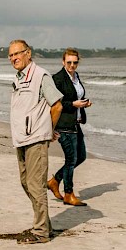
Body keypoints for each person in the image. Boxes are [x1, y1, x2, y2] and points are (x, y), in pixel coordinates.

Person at [8, 40, 62, 244]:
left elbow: (57, 105)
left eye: (17, 54)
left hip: (36, 138)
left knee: (36, 184)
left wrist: (49, 130)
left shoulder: (41, 76)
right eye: (11, 55)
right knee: (26, 182)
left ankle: (40, 232)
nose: (14, 58)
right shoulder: (19, 77)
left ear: (28, 53)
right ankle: (44, 224)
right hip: (21, 139)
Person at [48, 48, 92, 206]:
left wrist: (84, 103)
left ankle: (55, 180)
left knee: (81, 157)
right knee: (71, 159)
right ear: (63, 62)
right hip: (64, 124)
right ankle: (68, 193)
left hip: (76, 122)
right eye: (69, 62)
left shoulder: (76, 76)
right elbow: (55, 103)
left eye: (75, 62)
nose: (72, 65)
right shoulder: (57, 79)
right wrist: (74, 104)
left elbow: (75, 96)